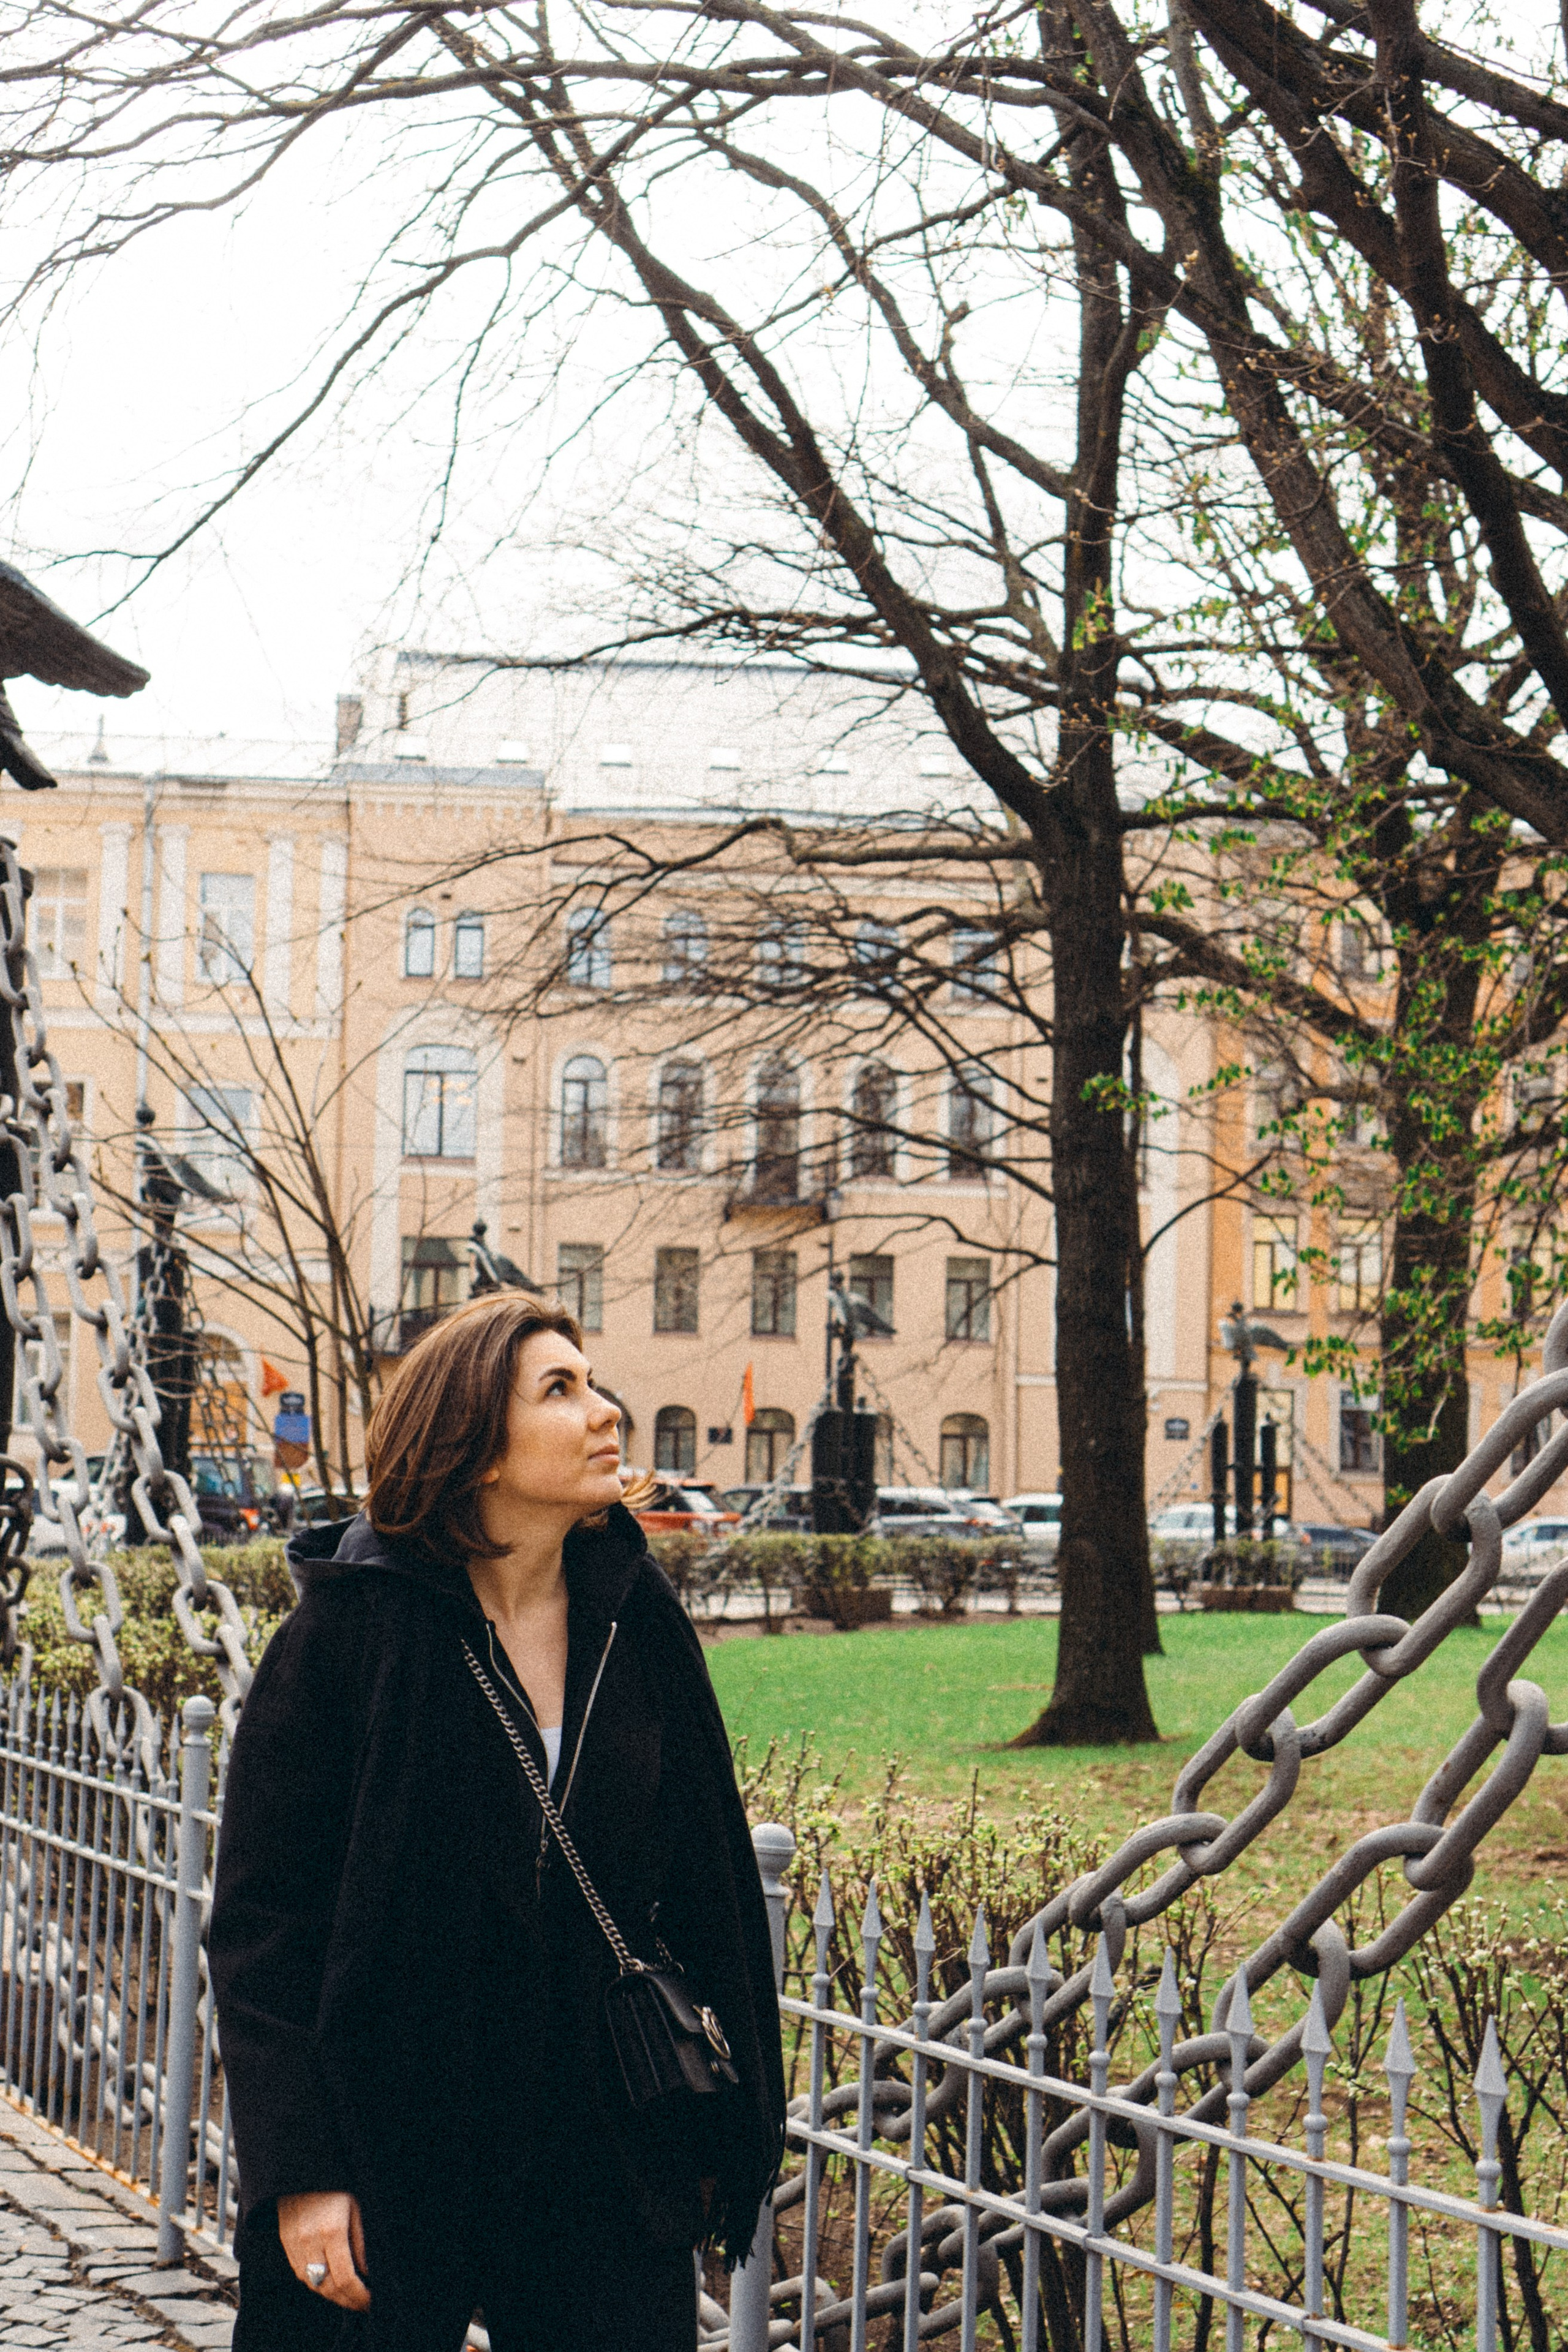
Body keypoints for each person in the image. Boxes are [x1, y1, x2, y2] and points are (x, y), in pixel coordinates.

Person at [209, 1294, 785, 2351]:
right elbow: (264, 1926)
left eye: (594, 1380)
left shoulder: (634, 1613)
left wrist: (723, 2122)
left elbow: (710, 1875)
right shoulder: (350, 1630)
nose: (606, 1411)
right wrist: (303, 2174)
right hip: (394, 2122)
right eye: (559, 1390)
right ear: (473, 1444)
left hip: (601, 2133)